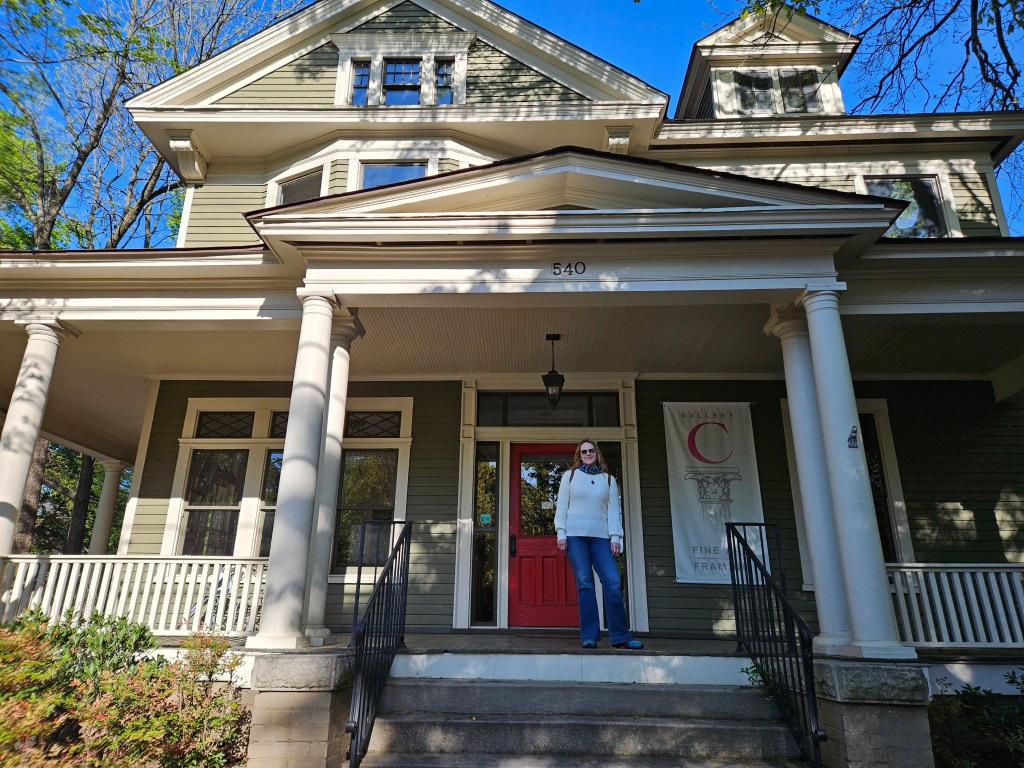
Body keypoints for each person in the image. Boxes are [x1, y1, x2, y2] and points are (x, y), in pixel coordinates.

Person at [555, 438, 644, 650]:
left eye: (591, 450)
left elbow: (614, 511)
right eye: (584, 451)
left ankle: (621, 637)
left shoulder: (609, 480)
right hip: (575, 537)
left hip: (601, 538)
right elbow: (562, 507)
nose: (588, 454)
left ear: (597, 453)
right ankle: (589, 636)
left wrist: (616, 536)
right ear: (579, 455)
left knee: (613, 582)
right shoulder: (570, 476)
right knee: (585, 584)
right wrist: (561, 532)